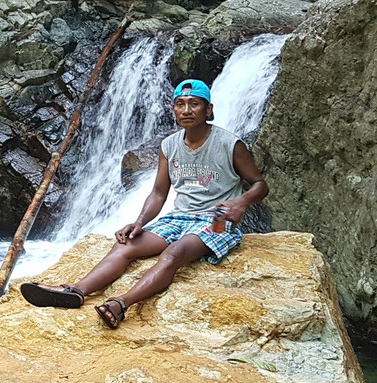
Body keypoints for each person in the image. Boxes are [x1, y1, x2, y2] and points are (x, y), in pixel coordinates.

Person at [19, 78, 269, 329]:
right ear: (174, 109)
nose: (186, 110)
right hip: (179, 217)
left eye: (194, 104)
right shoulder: (169, 145)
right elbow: (159, 193)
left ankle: (121, 304)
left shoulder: (230, 144)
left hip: (216, 221)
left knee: (174, 253)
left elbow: (260, 185)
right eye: (180, 104)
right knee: (126, 244)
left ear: (208, 110)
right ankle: (76, 291)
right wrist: (139, 222)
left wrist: (240, 202)